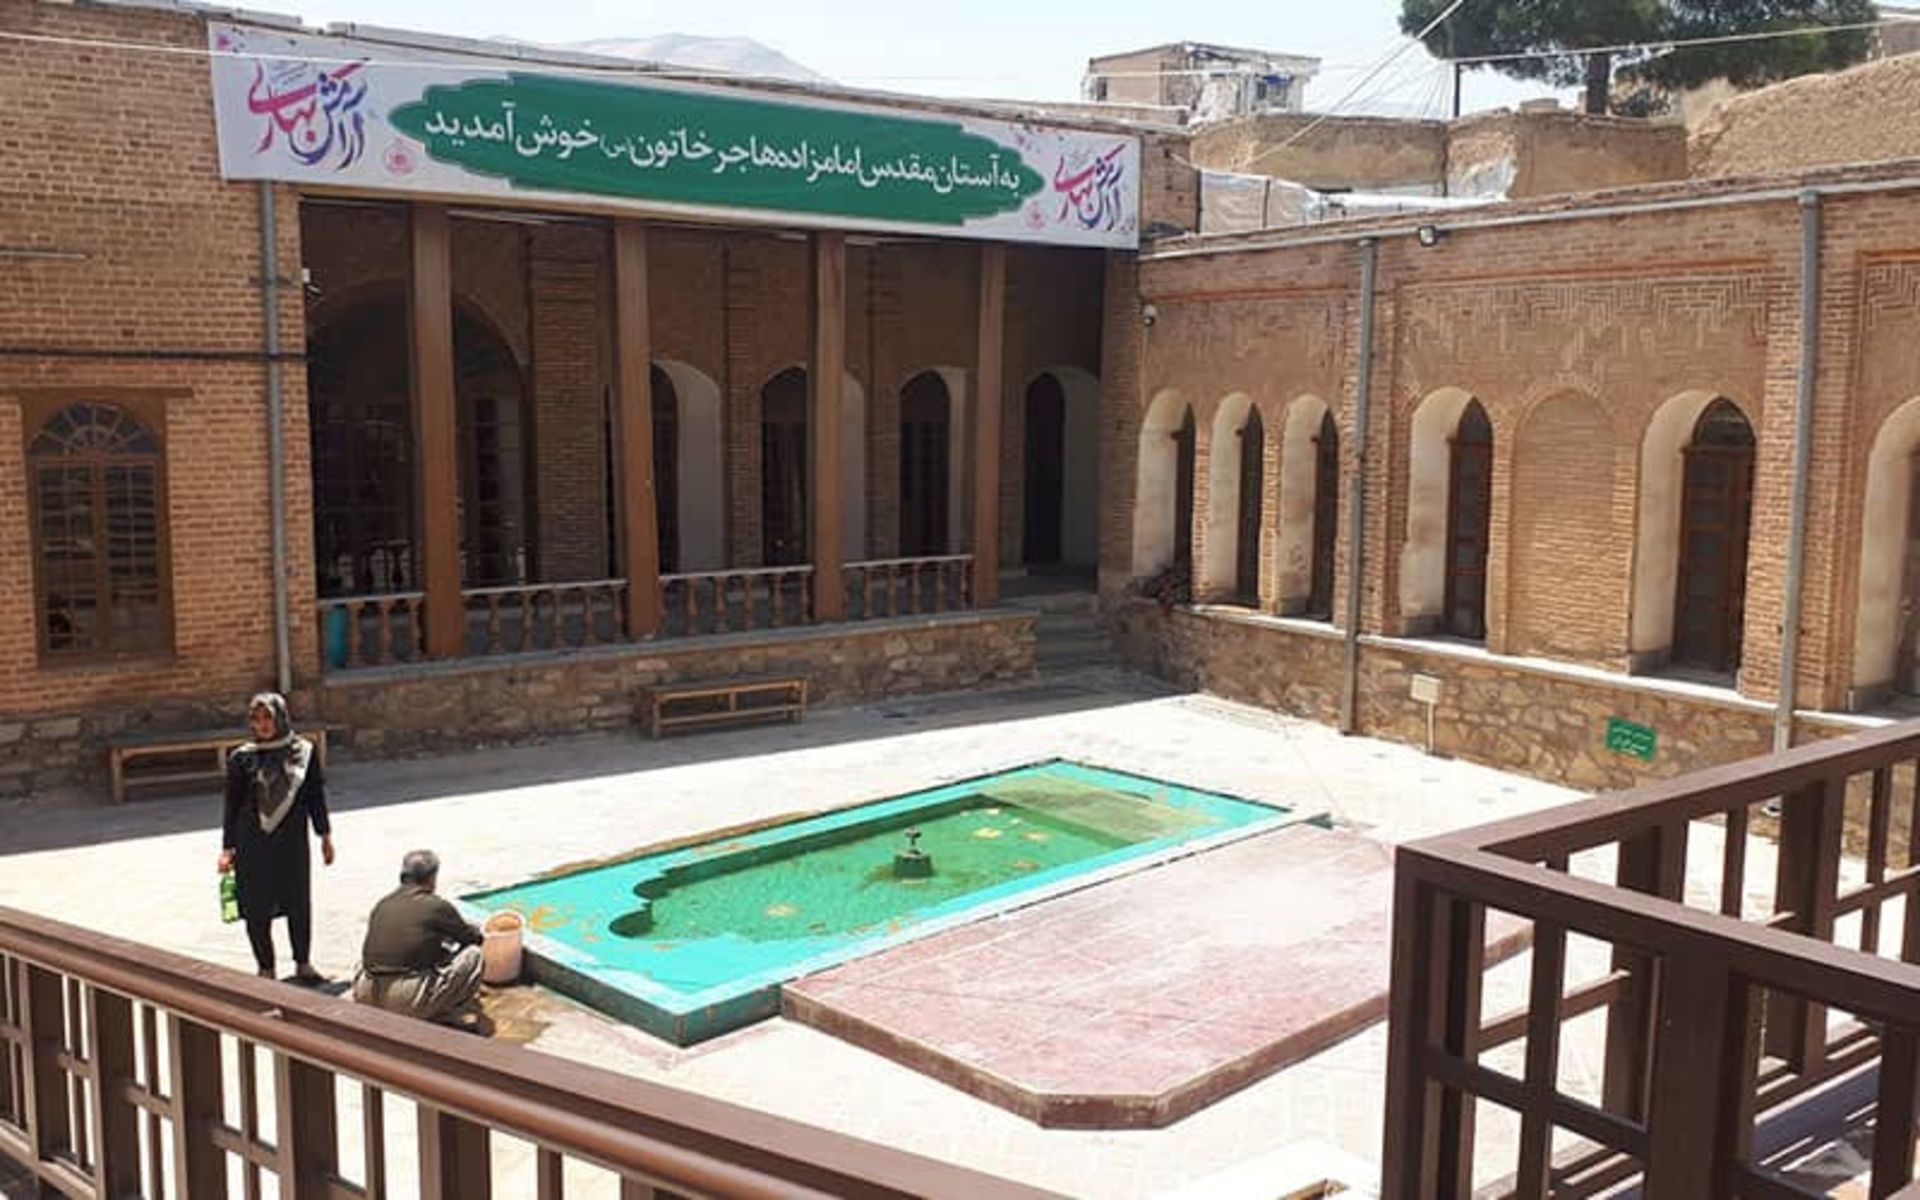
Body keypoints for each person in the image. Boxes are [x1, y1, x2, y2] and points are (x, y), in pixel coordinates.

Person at [219, 692, 334, 982]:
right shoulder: (242, 758)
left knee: (298, 899)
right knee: (255, 905)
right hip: (252, 842)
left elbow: (315, 796)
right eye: (256, 719)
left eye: (268, 717)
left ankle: (303, 963)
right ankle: (266, 967)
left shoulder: (304, 752)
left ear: (280, 717)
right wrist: (227, 847)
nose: (263, 724)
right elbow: (231, 805)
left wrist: (324, 836)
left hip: (292, 840)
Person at [352, 850, 485, 1025]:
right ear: (432, 878)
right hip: (405, 1001)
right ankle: (443, 1014)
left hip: (366, 993)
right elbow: (473, 939)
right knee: (474, 956)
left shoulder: (382, 904)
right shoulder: (436, 906)